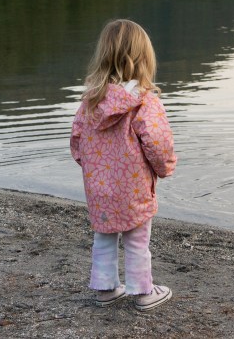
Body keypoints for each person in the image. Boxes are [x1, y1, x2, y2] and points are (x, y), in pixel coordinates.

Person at [70, 19, 178, 312]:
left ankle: (105, 288)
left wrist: (93, 170)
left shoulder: (90, 101)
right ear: (144, 58)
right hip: (134, 187)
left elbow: (77, 142)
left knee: (103, 238)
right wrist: (165, 168)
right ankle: (143, 291)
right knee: (137, 240)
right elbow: (158, 143)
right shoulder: (145, 102)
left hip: (100, 189)